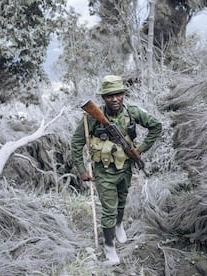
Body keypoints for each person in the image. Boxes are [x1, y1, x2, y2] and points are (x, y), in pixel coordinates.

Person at [70, 75, 162, 265]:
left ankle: (119, 224)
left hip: (126, 168)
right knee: (109, 210)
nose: (115, 99)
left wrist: (140, 149)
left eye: (118, 94)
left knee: (121, 202)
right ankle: (109, 248)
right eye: (109, 95)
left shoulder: (133, 112)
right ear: (103, 98)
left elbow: (156, 126)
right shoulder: (92, 118)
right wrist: (81, 169)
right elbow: (76, 142)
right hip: (103, 172)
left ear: (123, 94)